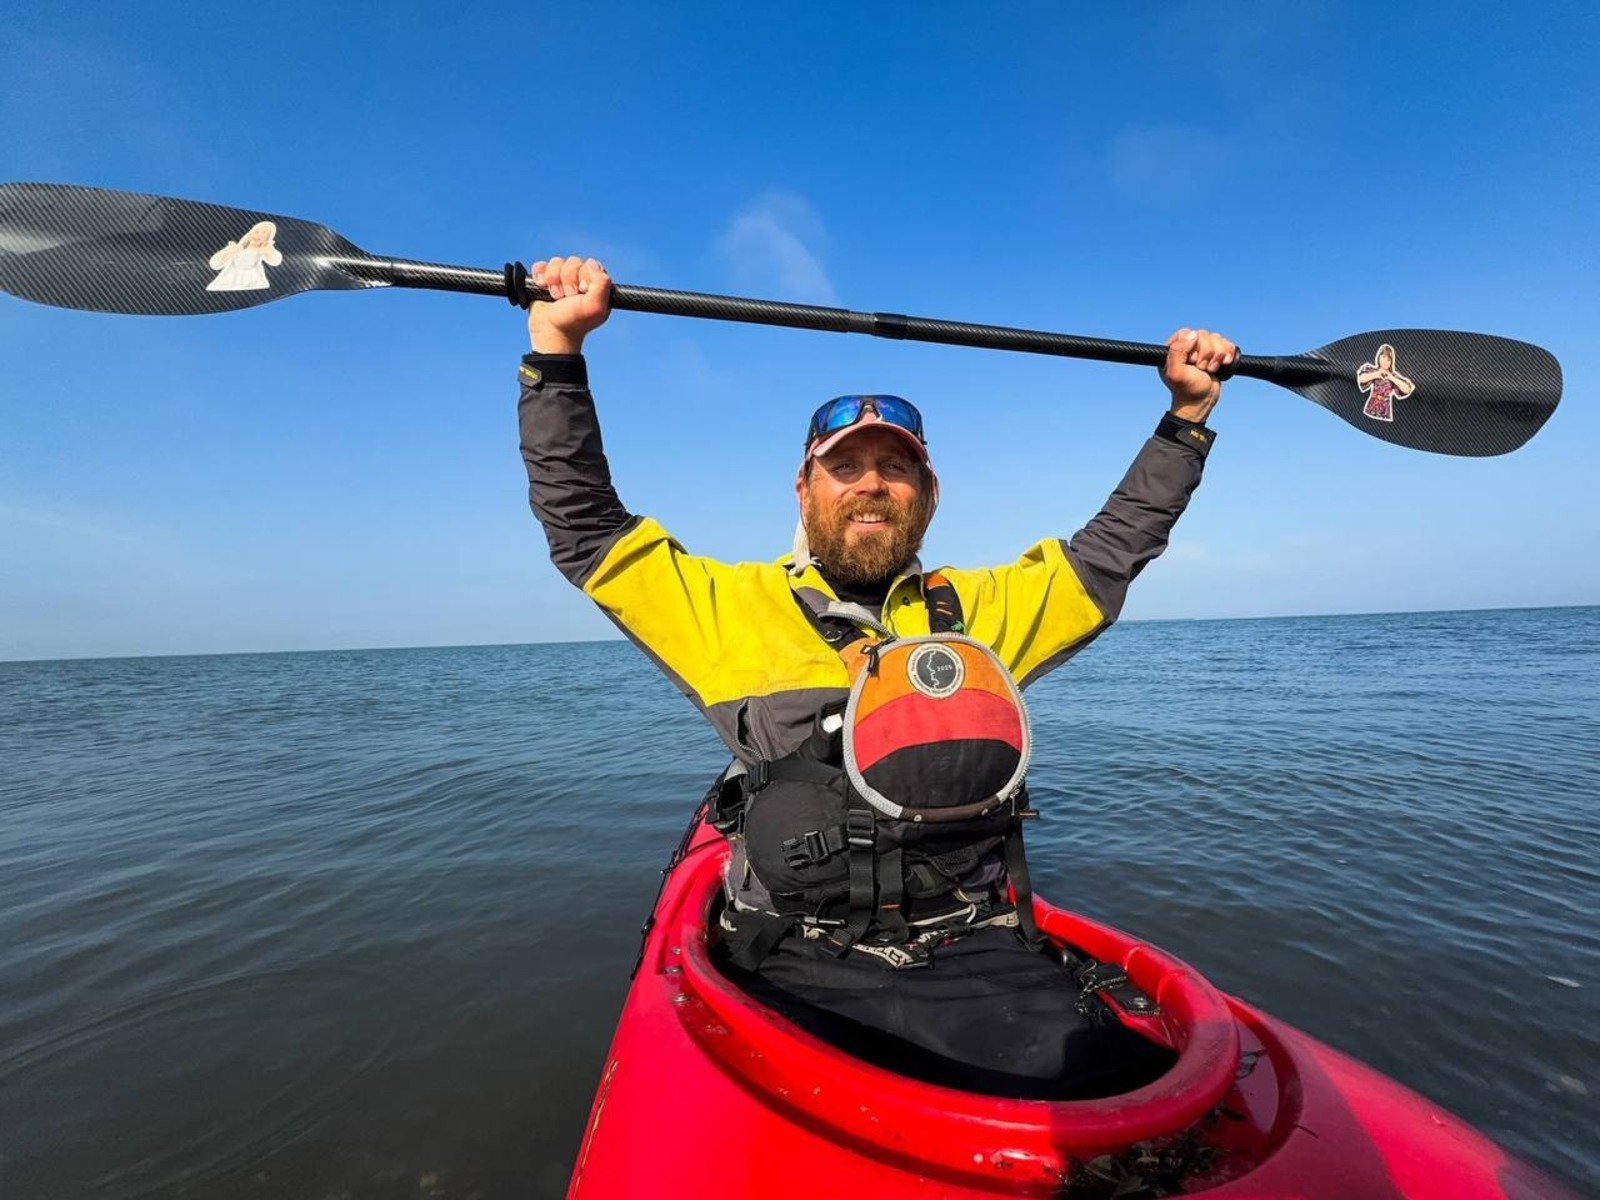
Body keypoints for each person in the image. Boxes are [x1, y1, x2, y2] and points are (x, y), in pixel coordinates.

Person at [519, 254, 1236, 1098]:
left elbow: (1111, 552)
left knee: (1131, 1099)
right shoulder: (724, 606)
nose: (871, 486)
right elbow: (586, 528)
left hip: (974, 951)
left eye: (895, 469)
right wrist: (556, 354)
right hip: (789, 964)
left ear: (928, 495)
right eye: (845, 467)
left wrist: (1186, 418)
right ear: (804, 490)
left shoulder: (981, 611)